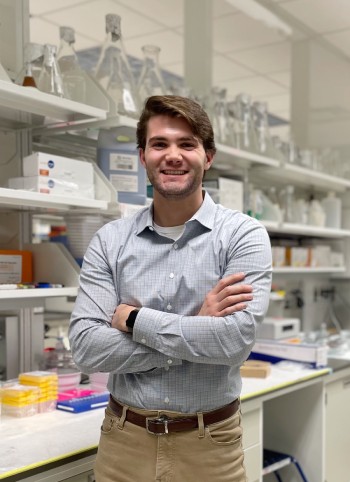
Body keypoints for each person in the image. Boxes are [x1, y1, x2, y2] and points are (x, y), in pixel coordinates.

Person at [69, 95, 272, 482]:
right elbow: (85, 347)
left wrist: (134, 319)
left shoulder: (243, 235)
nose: (173, 155)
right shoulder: (110, 241)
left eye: (187, 144)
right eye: (160, 144)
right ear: (143, 155)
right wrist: (195, 326)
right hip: (123, 443)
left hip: (210, 444)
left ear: (207, 156)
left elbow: (234, 343)